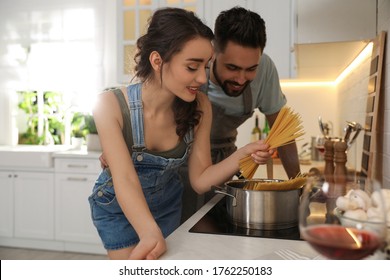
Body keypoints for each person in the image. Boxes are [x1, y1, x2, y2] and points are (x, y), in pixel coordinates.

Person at [89, 7, 273, 260]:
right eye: (191, 67)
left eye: (205, 67)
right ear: (157, 61)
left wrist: (245, 153)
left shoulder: (200, 106)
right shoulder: (109, 105)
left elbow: (200, 180)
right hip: (118, 209)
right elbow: (125, 180)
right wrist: (150, 233)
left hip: (167, 206)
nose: (202, 78)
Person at [179, 6, 301, 221]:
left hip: (226, 162)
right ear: (213, 52)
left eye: (251, 69)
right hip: (181, 162)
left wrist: (298, 187)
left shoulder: (265, 70)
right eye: (233, 68)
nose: (241, 79)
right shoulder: (193, 68)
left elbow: (283, 132)